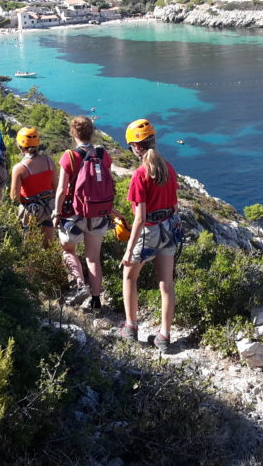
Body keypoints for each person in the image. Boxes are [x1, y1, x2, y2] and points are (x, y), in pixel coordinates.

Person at [117, 118, 182, 350]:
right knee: (166, 283)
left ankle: (131, 327)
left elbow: (140, 218)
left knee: (129, 276)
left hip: (149, 232)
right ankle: (164, 337)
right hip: (168, 229)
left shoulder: (140, 175)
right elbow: (174, 207)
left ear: (136, 147)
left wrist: (128, 249)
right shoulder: (168, 168)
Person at [53, 116, 112, 310]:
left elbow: (62, 190)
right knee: (93, 258)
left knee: (68, 249)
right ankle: (96, 300)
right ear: (92, 133)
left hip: (74, 214)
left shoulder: (69, 156)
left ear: (73, 133)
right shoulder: (103, 154)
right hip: (99, 213)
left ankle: (79, 284)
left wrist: (56, 212)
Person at [10, 126, 57, 245]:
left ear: (20, 146)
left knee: (30, 247)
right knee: (48, 246)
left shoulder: (19, 168)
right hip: (49, 209)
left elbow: (14, 197)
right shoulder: (49, 161)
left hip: (31, 211)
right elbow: (56, 187)